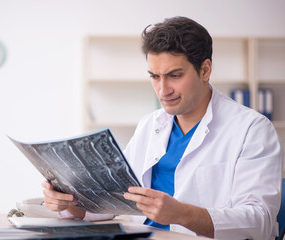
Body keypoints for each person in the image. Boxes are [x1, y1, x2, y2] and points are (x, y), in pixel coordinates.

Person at [42, 16, 283, 239]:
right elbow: (115, 200)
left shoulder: (251, 129)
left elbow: (258, 222)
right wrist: (69, 203)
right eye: (154, 76)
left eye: (174, 75)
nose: (162, 90)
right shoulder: (150, 125)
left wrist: (181, 214)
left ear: (205, 70)